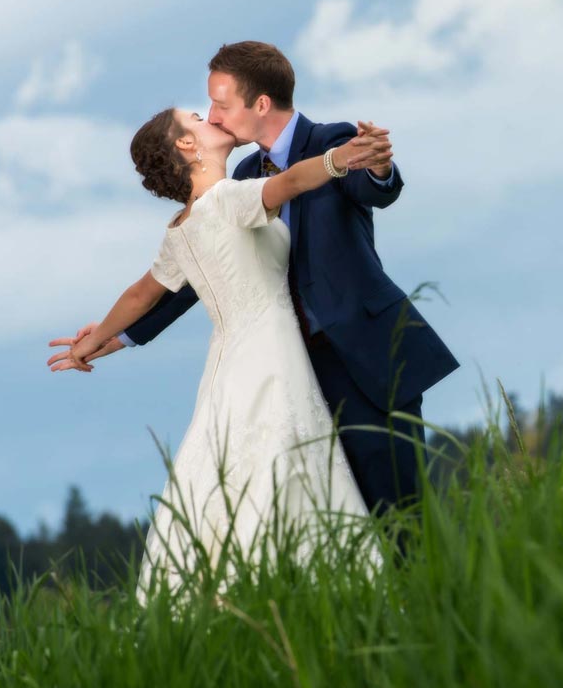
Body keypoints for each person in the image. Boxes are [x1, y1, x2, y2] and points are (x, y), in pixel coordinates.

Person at [52, 42, 458, 539]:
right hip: (291, 368)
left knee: (399, 509)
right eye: (207, 112)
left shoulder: (332, 139)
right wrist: (124, 335)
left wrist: (370, 164)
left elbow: (373, 188)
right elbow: (199, 277)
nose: (216, 117)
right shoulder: (239, 180)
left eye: (220, 105)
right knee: (322, 513)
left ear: (260, 104)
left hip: (364, 353)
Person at [64, 108, 389, 597]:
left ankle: (234, 587)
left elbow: (140, 295)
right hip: (270, 354)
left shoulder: (179, 228)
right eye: (195, 118)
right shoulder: (230, 199)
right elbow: (295, 181)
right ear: (187, 147)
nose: (207, 116)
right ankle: (301, 584)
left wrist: (90, 343)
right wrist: (340, 159)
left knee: (229, 467)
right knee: (283, 458)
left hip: (226, 364)